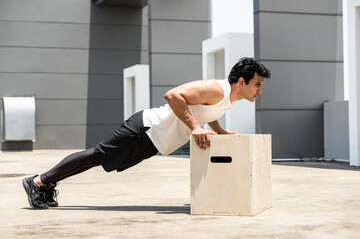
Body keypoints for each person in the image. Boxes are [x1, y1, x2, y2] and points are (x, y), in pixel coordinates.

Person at [22, 57, 271, 209]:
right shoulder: (216, 89)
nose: (259, 90)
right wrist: (195, 128)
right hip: (145, 129)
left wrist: (220, 130)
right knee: (96, 156)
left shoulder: (228, 99)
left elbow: (209, 112)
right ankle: (39, 182)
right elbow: (173, 95)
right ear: (241, 82)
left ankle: (45, 184)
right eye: (257, 84)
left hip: (151, 139)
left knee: (98, 160)